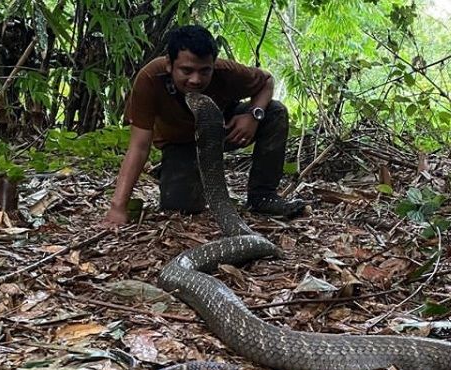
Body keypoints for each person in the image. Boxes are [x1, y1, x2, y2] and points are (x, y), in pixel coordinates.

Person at [103, 24, 306, 226]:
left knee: (275, 112)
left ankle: (263, 196)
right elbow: (139, 146)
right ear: (169, 64)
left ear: (213, 64)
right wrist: (118, 207)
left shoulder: (225, 71)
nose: (195, 80)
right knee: (180, 207)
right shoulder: (149, 79)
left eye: (204, 71)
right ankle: (171, 170)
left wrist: (254, 115)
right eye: (186, 70)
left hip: (222, 130)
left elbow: (267, 81)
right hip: (180, 143)